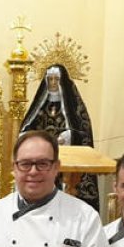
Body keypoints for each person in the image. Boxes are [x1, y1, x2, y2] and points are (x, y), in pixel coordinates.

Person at [19, 64, 99, 211]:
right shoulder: (40, 108)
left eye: (56, 79)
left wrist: (68, 136)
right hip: (41, 166)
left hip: (66, 171)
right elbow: (26, 129)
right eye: (50, 79)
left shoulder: (74, 108)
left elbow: (83, 132)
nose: (53, 83)